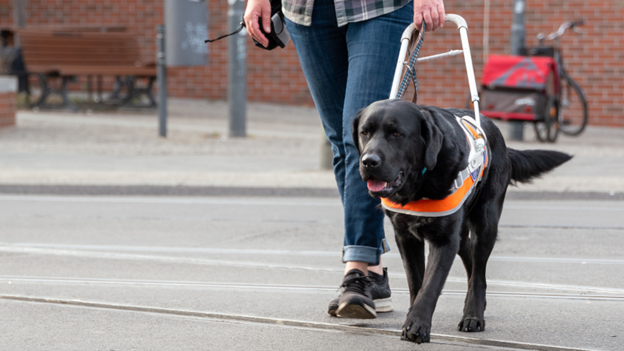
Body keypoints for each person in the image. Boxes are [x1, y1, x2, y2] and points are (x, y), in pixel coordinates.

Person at [244, 0, 445, 319]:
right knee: (343, 139)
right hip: (307, 11)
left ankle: (357, 271)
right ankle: (374, 270)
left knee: (364, 142)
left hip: (379, 7)